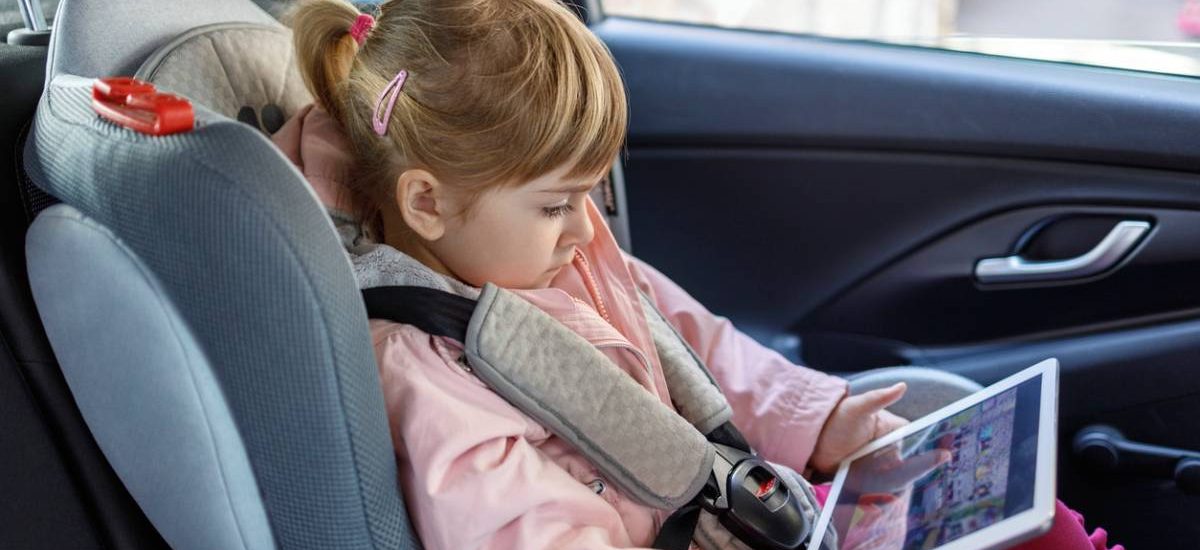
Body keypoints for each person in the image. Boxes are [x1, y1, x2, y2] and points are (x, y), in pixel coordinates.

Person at [273, 0, 1121, 548]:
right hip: (696, 531)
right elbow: (520, 529)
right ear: (426, 203)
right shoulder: (425, 367)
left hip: (742, 507)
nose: (584, 226)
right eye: (555, 203)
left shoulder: (557, 253)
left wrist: (816, 420)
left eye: (590, 195)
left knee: (1032, 525)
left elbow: (695, 343)